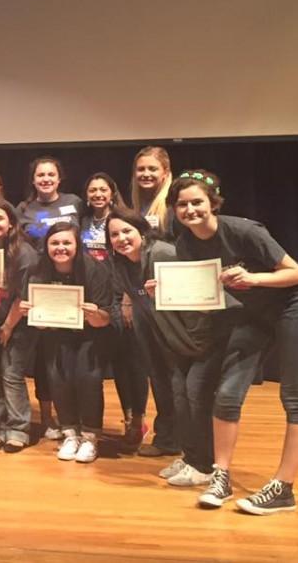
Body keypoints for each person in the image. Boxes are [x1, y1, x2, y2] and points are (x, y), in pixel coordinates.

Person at [167, 171, 298, 514]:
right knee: (227, 393)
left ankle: (284, 488)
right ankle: (220, 476)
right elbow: (204, 292)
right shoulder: (185, 244)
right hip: (255, 315)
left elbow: (295, 273)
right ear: (174, 209)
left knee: (295, 396)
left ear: (212, 203)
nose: (190, 209)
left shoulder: (243, 230)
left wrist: (253, 278)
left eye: (197, 202)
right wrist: (166, 290)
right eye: (182, 204)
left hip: (297, 306)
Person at [108, 206, 231, 486]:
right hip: (160, 334)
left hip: (191, 336)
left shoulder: (163, 253)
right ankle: (185, 453)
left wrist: (196, 341)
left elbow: (198, 295)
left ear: (141, 231)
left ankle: (203, 461)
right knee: (171, 390)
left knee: (191, 396)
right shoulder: (122, 263)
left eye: (127, 231)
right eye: (114, 234)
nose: (121, 238)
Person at [19, 222, 112, 463]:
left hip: (89, 336)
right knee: (58, 380)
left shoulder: (94, 269)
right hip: (54, 334)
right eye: (55, 243)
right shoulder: (37, 271)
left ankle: (90, 437)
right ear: (47, 246)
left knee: (88, 379)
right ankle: (70, 433)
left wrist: (95, 314)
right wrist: (33, 316)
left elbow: (105, 317)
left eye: (66, 242)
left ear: (77, 244)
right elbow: (37, 319)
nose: (61, 248)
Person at [16, 157, 82, 443]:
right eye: (40, 175)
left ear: (59, 177)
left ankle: (76, 418)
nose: (45, 179)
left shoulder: (75, 202)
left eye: (50, 174)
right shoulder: (24, 209)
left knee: (73, 354)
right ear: (33, 180)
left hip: (74, 281)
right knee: (45, 356)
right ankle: (47, 418)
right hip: (41, 283)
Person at [79, 172, 147, 449]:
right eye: (92, 190)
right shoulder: (82, 222)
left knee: (131, 363)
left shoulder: (122, 219)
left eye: (102, 189)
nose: (97, 194)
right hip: (97, 295)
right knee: (111, 362)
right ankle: (113, 421)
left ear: (111, 192)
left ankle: (136, 420)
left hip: (123, 293)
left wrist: (128, 299)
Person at [123, 147, 180, 456]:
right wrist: (128, 299)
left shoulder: (174, 206)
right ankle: (166, 435)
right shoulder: (137, 205)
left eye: (152, 169)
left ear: (165, 172)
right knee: (156, 371)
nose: (145, 174)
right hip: (143, 300)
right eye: (140, 169)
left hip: (170, 300)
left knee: (174, 371)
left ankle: (180, 437)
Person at [0, 200, 37, 452]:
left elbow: (24, 296)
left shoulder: (25, 253)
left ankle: (18, 429)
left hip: (18, 323)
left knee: (11, 374)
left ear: (11, 223)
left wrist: (8, 326)